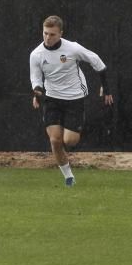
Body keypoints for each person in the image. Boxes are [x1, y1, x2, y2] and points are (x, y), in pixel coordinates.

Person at [29, 15, 113, 187]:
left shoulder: (72, 48)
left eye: (52, 34)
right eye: (45, 33)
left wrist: (106, 88)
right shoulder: (36, 54)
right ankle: (68, 177)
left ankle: (76, 130)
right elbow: (36, 78)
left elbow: (97, 62)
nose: (48, 38)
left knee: (69, 141)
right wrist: (37, 93)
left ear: (61, 33)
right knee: (55, 140)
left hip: (74, 96)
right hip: (52, 98)